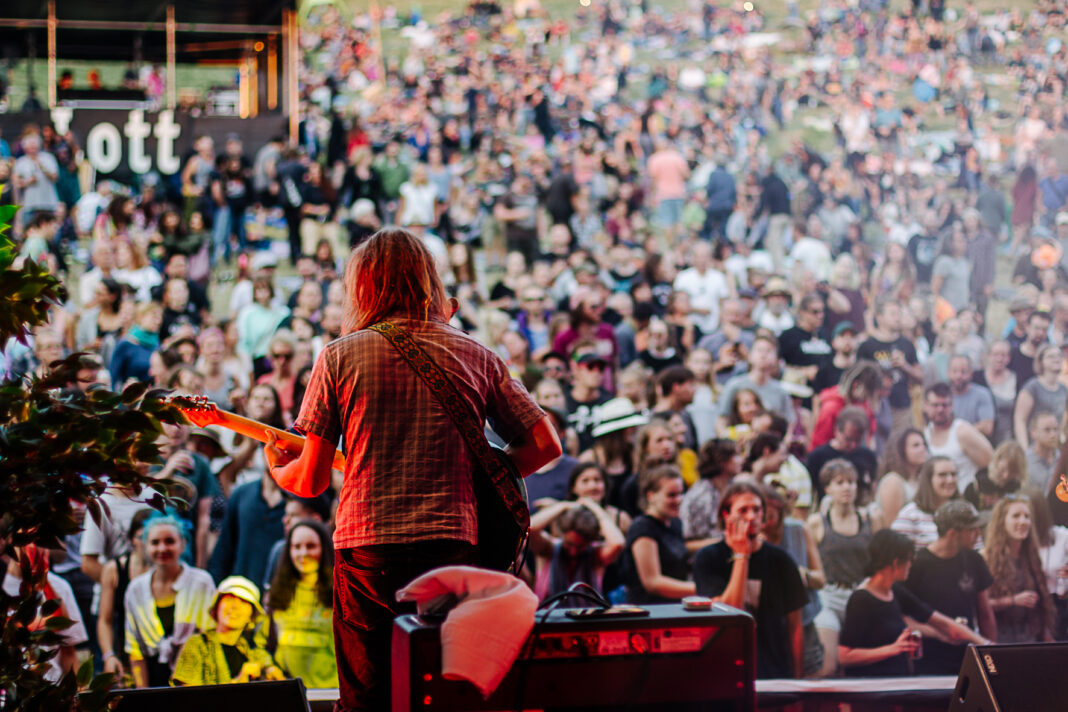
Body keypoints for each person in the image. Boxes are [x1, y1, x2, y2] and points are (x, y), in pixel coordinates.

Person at [263, 228, 560, 711]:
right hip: (452, 547)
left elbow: (312, 480)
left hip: (368, 551)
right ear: (429, 281)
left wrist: (279, 467)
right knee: (440, 692)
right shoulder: (477, 354)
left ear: (361, 287)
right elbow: (545, 445)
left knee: (366, 697)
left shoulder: (340, 355)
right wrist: (481, 476)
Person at [694, 480, 807, 679]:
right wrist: (741, 555)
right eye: (743, 510)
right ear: (726, 515)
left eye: (757, 509)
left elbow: (795, 626)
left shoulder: (781, 561)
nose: (751, 517)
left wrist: (798, 681)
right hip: (725, 669)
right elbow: (731, 613)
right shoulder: (708, 558)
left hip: (773, 669)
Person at [838, 529, 985, 677]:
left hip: (898, 682)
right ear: (896, 563)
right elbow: (844, 656)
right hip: (873, 686)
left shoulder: (893, 590)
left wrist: (981, 643)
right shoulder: (861, 599)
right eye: (909, 560)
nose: (911, 565)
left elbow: (935, 618)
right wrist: (892, 649)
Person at [903, 500, 997, 674]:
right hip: (929, 657)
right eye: (972, 530)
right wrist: (936, 632)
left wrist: (991, 654)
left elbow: (985, 612)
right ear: (953, 534)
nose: (978, 534)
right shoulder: (917, 564)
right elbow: (902, 616)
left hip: (967, 654)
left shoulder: (974, 560)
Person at [124, 514, 216, 688]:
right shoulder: (135, 590)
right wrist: (142, 694)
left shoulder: (201, 583)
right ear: (146, 546)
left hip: (195, 680)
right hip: (152, 679)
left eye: (169, 541)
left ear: (183, 544)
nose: (162, 548)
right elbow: (135, 649)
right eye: (155, 542)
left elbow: (209, 636)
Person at [808, 460, 880, 678]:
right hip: (829, 596)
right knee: (828, 666)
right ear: (827, 488)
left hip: (861, 596)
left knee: (857, 667)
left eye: (851, 482)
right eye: (839, 482)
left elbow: (881, 559)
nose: (847, 487)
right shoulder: (817, 522)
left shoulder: (871, 518)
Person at [171, 576, 283, 686]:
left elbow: (263, 658)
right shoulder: (198, 644)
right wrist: (239, 681)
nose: (234, 606)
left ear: (251, 616)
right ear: (217, 606)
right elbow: (187, 698)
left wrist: (270, 668)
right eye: (229, 598)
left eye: (243, 601)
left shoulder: (246, 649)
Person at [266, 519, 337, 688]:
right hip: (287, 694)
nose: (303, 553)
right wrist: (268, 666)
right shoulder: (276, 595)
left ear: (324, 549)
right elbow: (263, 644)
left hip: (330, 694)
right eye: (296, 547)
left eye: (311, 546)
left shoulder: (340, 595)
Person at [982, 495, 1057, 643]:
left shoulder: (1031, 557)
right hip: (998, 641)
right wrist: (1011, 601)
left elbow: (1042, 605)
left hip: (1029, 640)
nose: (1023, 521)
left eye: (1027, 517)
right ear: (1002, 521)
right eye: (1016, 516)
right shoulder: (985, 558)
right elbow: (979, 607)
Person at [621, 464, 695, 604]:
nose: (678, 500)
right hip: (650, 611)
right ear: (651, 496)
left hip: (675, 606)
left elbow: (680, 547)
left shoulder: (674, 523)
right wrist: (700, 588)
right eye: (671, 495)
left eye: (680, 494)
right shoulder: (642, 528)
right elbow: (652, 583)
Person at [528, 498, 625, 603]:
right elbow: (530, 529)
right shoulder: (548, 549)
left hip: (586, 617)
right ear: (562, 535)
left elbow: (618, 543)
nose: (573, 551)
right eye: (569, 544)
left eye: (580, 546)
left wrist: (596, 509)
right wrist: (563, 506)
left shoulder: (595, 554)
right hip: (548, 616)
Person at [97, 508, 154, 680]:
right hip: (127, 654)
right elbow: (105, 620)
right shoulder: (114, 569)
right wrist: (109, 655)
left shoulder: (167, 570)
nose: (145, 542)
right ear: (132, 539)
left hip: (161, 655)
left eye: (150, 536)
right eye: (141, 536)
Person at [923, 382, 993, 494]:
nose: (940, 410)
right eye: (935, 405)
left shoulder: (962, 432)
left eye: (945, 405)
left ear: (952, 406)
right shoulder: (926, 433)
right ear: (925, 406)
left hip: (964, 498)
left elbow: (992, 465)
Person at [892, 456, 962, 549]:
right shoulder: (909, 515)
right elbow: (898, 553)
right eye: (942, 475)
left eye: (953, 474)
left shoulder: (965, 510)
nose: (950, 480)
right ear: (928, 479)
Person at [1013, 344, 1068, 448]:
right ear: (1041, 361)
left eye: (1059, 356)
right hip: (1034, 448)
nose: (1056, 359)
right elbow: (1020, 420)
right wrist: (1024, 449)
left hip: (1054, 449)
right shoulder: (1032, 387)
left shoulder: (1063, 389)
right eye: (1051, 356)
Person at [875, 428, 930, 526]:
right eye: (916, 445)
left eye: (924, 444)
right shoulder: (893, 481)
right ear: (901, 451)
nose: (923, 449)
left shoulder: (919, 480)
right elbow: (891, 525)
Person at [964, 441, 1028, 515]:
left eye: (1012, 472)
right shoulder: (976, 487)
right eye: (1003, 470)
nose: (1006, 476)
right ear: (997, 460)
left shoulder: (1018, 490)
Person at [947, 354, 995, 439]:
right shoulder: (942, 395)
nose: (959, 376)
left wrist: (957, 433)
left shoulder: (982, 394)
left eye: (963, 372)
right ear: (948, 373)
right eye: (954, 371)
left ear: (971, 374)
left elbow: (987, 427)